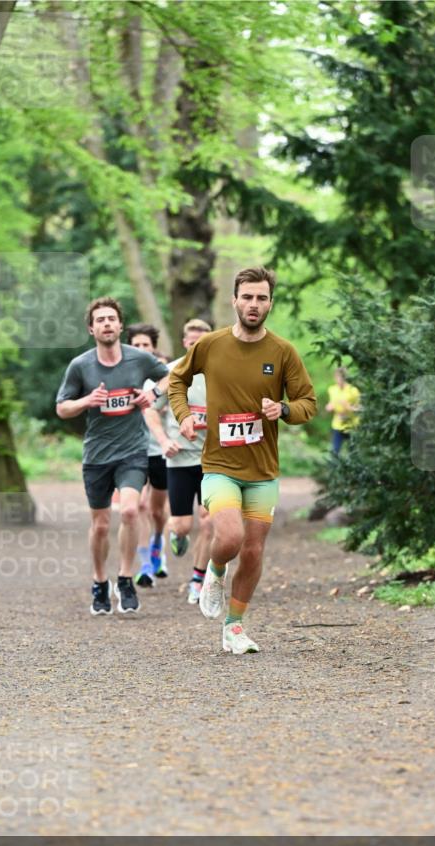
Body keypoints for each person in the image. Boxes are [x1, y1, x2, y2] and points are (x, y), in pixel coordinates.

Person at [168, 266, 316, 653]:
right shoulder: (211, 345)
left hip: (263, 470)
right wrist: (184, 417)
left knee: (253, 549)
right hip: (219, 464)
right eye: (247, 297)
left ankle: (234, 626)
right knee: (229, 536)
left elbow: (308, 404)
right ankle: (214, 572)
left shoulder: (283, 352)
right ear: (234, 300)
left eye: (261, 298)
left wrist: (282, 410)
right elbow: (176, 381)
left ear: (270, 303)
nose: (254, 304)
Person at [56, 297, 168, 615]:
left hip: (132, 452)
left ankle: (125, 578)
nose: (106, 323)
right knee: (102, 525)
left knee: (131, 512)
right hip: (97, 455)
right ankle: (99, 581)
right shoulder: (80, 366)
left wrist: (152, 393)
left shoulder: (138, 359)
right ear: (92, 329)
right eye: (100, 320)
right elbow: (61, 407)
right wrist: (87, 401)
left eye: (111, 319)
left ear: (120, 325)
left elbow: (171, 375)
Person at [151, 318, 213, 604]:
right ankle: (177, 535)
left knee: (209, 520)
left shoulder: (223, 370)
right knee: (183, 525)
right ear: (184, 341)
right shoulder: (171, 371)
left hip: (213, 459)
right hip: (180, 459)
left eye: (203, 335)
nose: (196, 340)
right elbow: (150, 408)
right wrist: (164, 440)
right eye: (191, 336)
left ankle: (198, 580)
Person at [126, 323, 171, 586]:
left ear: (153, 347)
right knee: (140, 505)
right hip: (132, 450)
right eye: (136, 344)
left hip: (159, 450)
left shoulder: (162, 376)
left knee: (156, 510)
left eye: (146, 345)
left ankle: (157, 544)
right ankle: (144, 565)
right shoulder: (122, 374)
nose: (141, 349)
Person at [326, 366, 360, 455]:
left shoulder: (353, 390)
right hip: (337, 425)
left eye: (341, 377)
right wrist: (329, 407)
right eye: (337, 377)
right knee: (335, 452)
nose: (339, 380)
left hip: (351, 425)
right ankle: (334, 468)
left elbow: (359, 408)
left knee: (353, 454)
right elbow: (331, 403)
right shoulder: (332, 389)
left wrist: (348, 407)